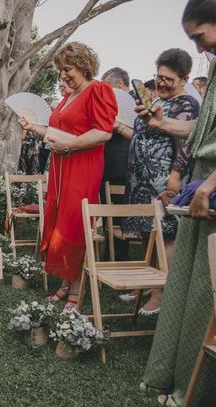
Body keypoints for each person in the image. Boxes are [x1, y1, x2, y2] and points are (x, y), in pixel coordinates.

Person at [137, 0, 216, 407]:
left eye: (199, 38)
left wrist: (211, 183)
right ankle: (167, 375)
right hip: (203, 181)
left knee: (210, 287)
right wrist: (161, 123)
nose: (200, 49)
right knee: (183, 281)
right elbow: (203, 132)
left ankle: (195, 392)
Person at [19, 42, 117, 312]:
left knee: (75, 225)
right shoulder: (67, 98)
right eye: (60, 70)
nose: (63, 76)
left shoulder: (98, 90)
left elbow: (103, 132)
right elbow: (55, 133)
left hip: (82, 167)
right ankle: (66, 281)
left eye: (67, 69)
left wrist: (68, 147)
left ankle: (75, 292)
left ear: (84, 65)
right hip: (61, 167)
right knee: (61, 222)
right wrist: (33, 127)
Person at [120, 49, 200, 314]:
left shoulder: (187, 104)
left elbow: (186, 144)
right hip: (140, 179)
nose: (162, 82)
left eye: (169, 78)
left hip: (164, 179)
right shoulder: (158, 102)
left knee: (166, 234)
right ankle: (147, 283)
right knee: (146, 231)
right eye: (159, 76)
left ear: (184, 78)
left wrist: (174, 178)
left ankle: (161, 292)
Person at [101, 67, 134, 261]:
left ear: (119, 84)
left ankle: (119, 256)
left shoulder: (135, 105)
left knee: (121, 213)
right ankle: (108, 252)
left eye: (108, 87)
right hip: (107, 165)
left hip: (122, 166)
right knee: (107, 214)